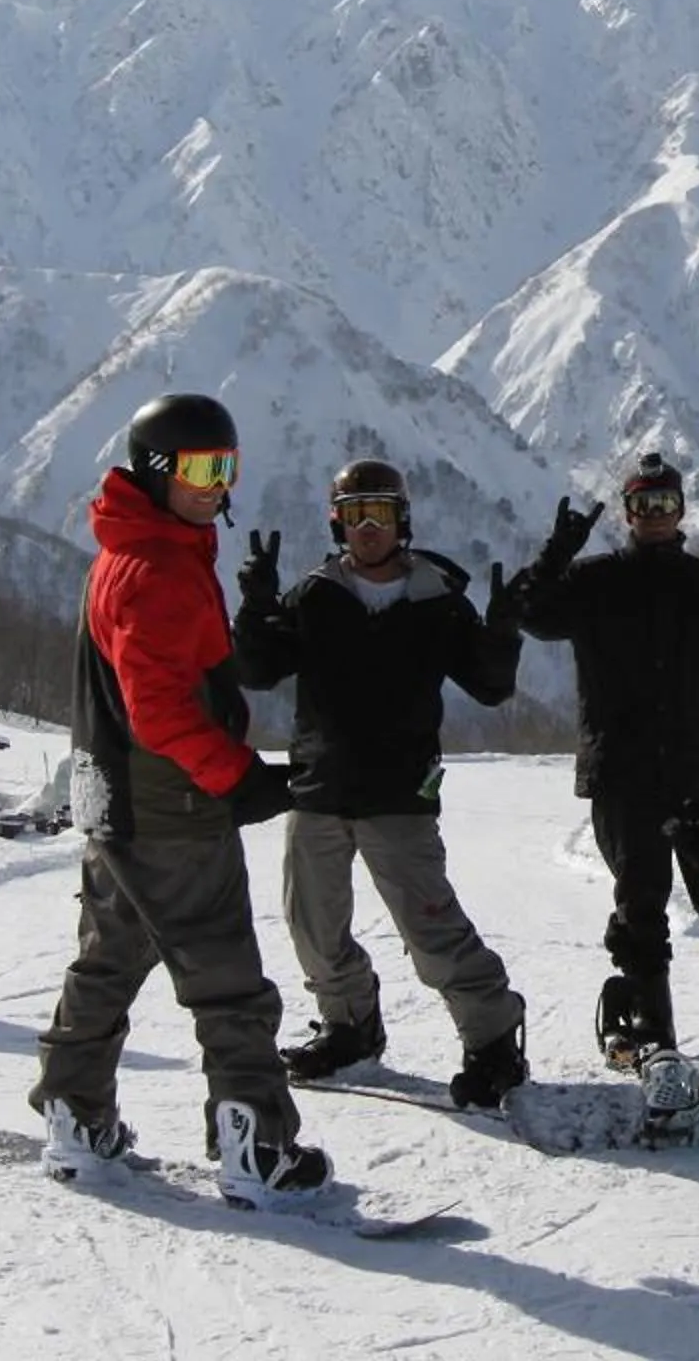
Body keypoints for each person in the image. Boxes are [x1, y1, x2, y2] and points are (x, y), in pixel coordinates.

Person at [30, 394, 325, 1207]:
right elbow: (160, 711)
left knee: (110, 958)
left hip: (113, 800)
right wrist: (238, 779)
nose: (213, 485)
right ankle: (254, 1144)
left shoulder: (134, 547)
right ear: (157, 470)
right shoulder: (156, 570)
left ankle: (75, 1118)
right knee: (225, 978)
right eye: (198, 469)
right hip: (172, 808)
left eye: (225, 468)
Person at [233, 456, 532, 1108]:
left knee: (430, 929)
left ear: (404, 521)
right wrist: (256, 608)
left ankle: (492, 1035)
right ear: (337, 523)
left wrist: (502, 631)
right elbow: (257, 671)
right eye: (354, 515)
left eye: (381, 514)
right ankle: (350, 1026)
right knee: (313, 925)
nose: (368, 527)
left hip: (399, 792)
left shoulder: (436, 600)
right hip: (319, 787)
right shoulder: (315, 595)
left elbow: (489, 687)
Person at [513, 451, 699, 1059]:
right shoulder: (592, 580)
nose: (654, 514)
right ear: (626, 512)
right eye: (643, 504)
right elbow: (528, 615)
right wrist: (555, 556)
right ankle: (654, 1025)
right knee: (640, 900)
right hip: (622, 774)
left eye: (665, 503)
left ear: (682, 510)